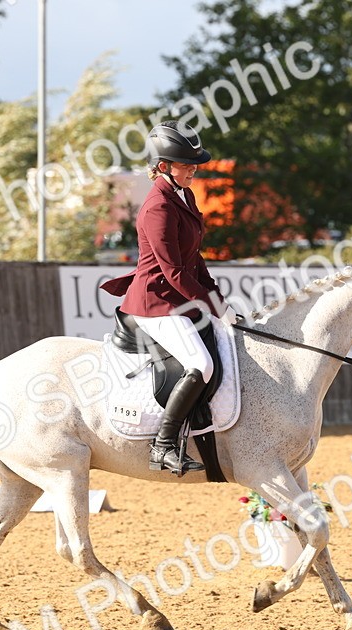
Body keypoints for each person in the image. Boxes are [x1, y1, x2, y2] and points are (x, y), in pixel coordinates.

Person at [100, 120, 234, 475]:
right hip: (156, 303)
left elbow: (194, 259)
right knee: (202, 365)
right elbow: (174, 272)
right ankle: (163, 445)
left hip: (176, 299)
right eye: (186, 164)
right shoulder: (157, 207)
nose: (193, 169)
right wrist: (212, 306)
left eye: (194, 164)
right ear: (163, 166)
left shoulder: (184, 195)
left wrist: (219, 301)